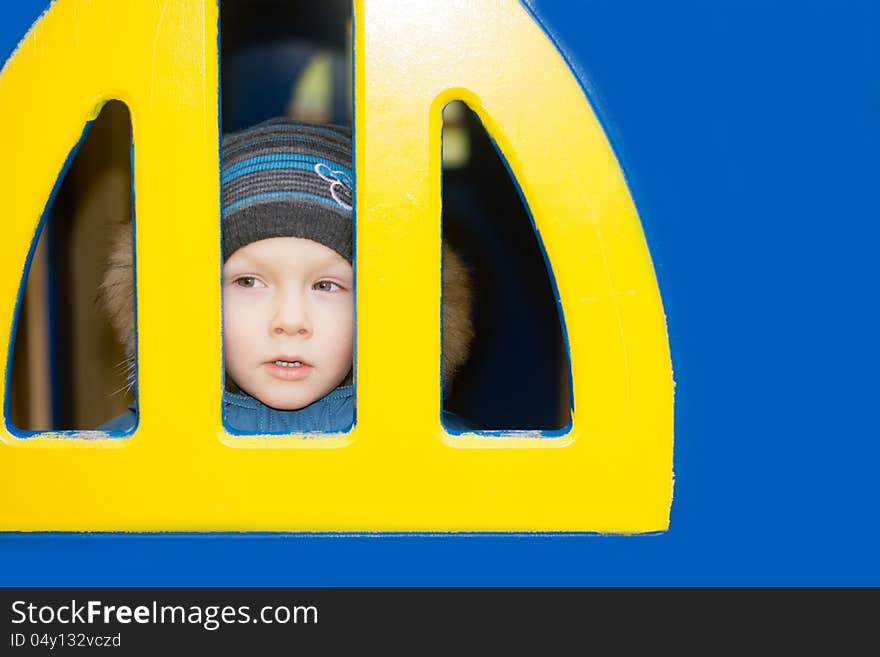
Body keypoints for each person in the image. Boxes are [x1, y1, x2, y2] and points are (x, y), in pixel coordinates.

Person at [98, 117, 473, 432]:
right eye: (249, 282)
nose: (291, 321)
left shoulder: (448, 459)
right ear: (190, 298)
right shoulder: (116, 463)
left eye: (326, 285)